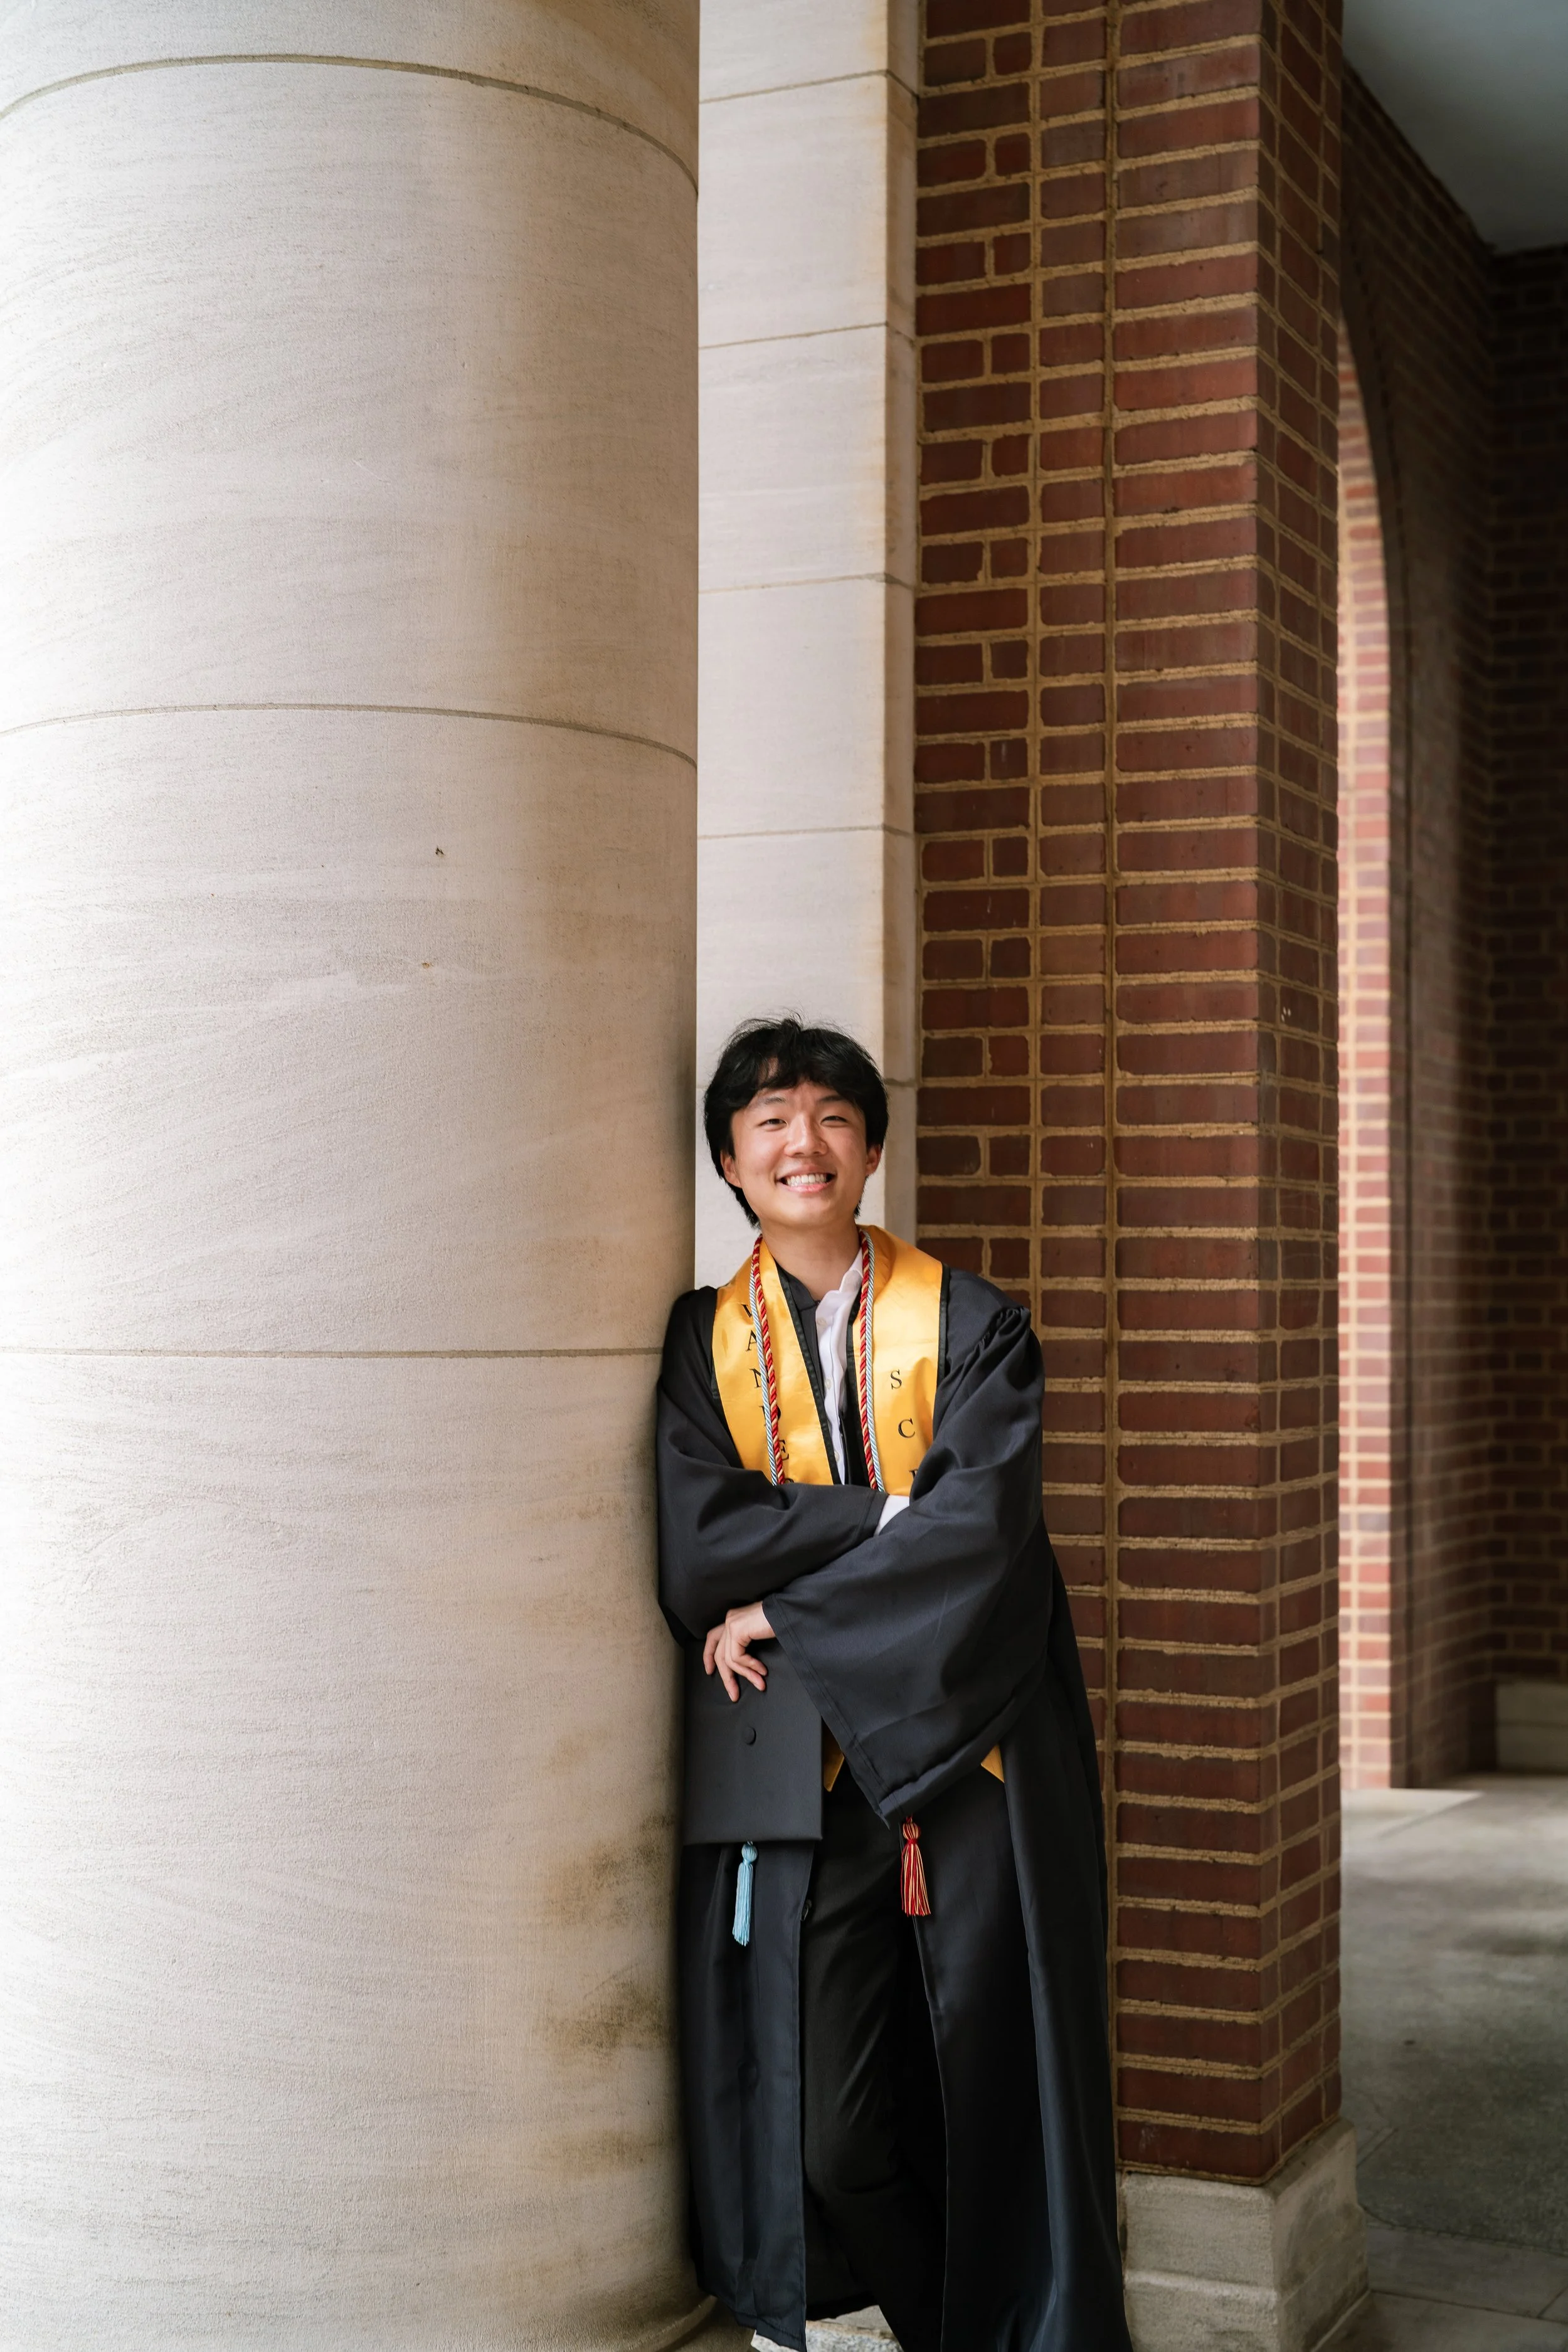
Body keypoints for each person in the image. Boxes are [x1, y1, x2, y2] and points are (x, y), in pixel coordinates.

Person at [657, 1019, 1132, 2352]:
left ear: (868, 1147)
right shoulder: (703, 1345)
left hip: (974, 1757)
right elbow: (701, 1547)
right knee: (834, 2129)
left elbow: (981, 1536)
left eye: (827, 1116)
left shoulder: (976, 1325)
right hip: (808, 1782)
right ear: (729, 1163)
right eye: (767, 1120)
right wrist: (878, 1523)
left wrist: (792, 1598)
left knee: (997, 2079)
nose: (799, 1143)